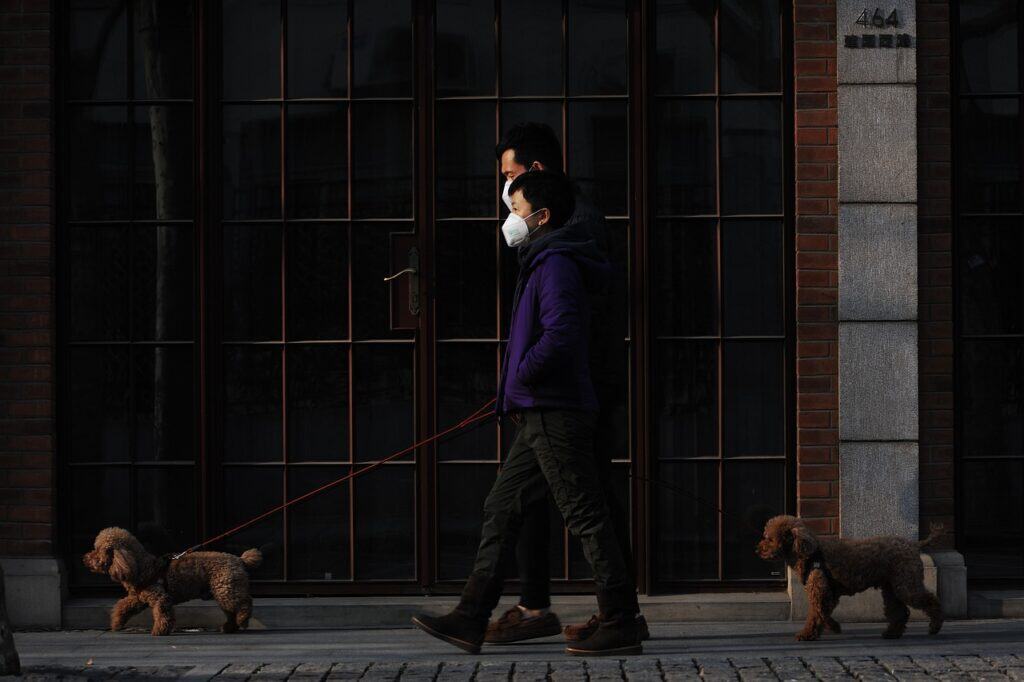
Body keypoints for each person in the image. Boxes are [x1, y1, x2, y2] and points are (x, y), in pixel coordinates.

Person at [412, 170, 645, 657]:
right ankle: (471, 616)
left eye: (516, 210)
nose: (511, 219)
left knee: (584, 513)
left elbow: (561, 335)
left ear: (541, 216)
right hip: (541, 408)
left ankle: (621, 619)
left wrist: (520, 379)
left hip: (555, 410)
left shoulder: (556, 262)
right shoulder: (542, 259)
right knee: (502, 506)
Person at [487, 122, 646, 645]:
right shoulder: (556, 232)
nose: (505, 193)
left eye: (511, 179)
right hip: (554, 392)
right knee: (529, 498)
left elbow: (567, 327)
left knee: (588, 502)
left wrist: (524, 373)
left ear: (534, 176)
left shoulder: (567, 233)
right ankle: (543, 605)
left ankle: (617, 613)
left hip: (571, 393)